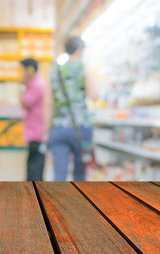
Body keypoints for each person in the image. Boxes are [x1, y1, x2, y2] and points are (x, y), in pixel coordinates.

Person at [44, 36, 99, 181]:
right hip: (81, 128)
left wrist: (46, 130)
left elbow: (48, 103)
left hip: (58, 128)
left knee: (59, 174)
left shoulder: (54, 70)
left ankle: (56, 204)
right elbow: (94, 95)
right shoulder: (83, 67)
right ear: (80, 50)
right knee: (80, 174)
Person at [20, 58, 47, 181]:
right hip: (37, 131)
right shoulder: (38, 83)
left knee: (34, 167)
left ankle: (32, 196)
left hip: (37, 132)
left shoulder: (36, 85)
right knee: (36, 164)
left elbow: (25, 103)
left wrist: (22, 85)